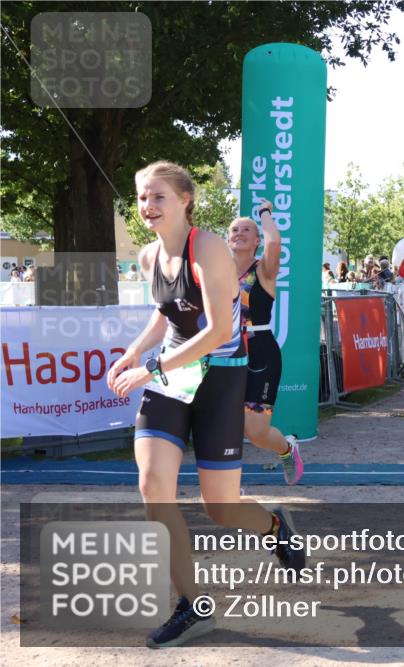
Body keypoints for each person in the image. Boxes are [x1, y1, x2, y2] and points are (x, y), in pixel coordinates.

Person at [107, 162, 305, 648]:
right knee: (154, 487)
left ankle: (276, 524)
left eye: (157, 197)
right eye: (141, 198)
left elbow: (218, 331)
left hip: (220, 380)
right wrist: (136, 350)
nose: (147, 207)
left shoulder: (210, 248)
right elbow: (165, 312)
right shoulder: (151, 256)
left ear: (184, 201)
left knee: (221, 509)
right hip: (171, 380)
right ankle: (194, 607)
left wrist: (151, 368)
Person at [227, 205, 304, 485]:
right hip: (226, 352)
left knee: (256, 432)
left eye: (246, 230)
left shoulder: (263, 270)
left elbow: (275, 242)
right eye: (234, 230)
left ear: (257, 240)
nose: (239, 233)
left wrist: (265, 213)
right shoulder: (219, 273)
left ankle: (287, 449)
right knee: (223, 425)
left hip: (260, 352)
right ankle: (228, 486)